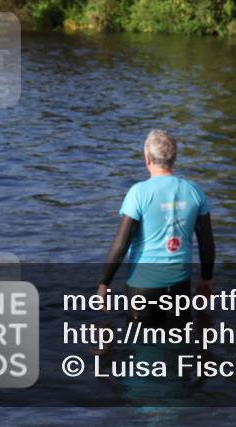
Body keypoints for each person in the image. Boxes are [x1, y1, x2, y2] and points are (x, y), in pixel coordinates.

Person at [98, 130, 215, 324]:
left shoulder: (138, 193)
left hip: (142, 286)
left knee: (142, 345)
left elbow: (121, 243)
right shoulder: (195, 191)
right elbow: (206, 241)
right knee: (178, 345)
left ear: (147, 158)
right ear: (175, 158)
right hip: (179, 285)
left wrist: (105, 282)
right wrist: (207, 279)